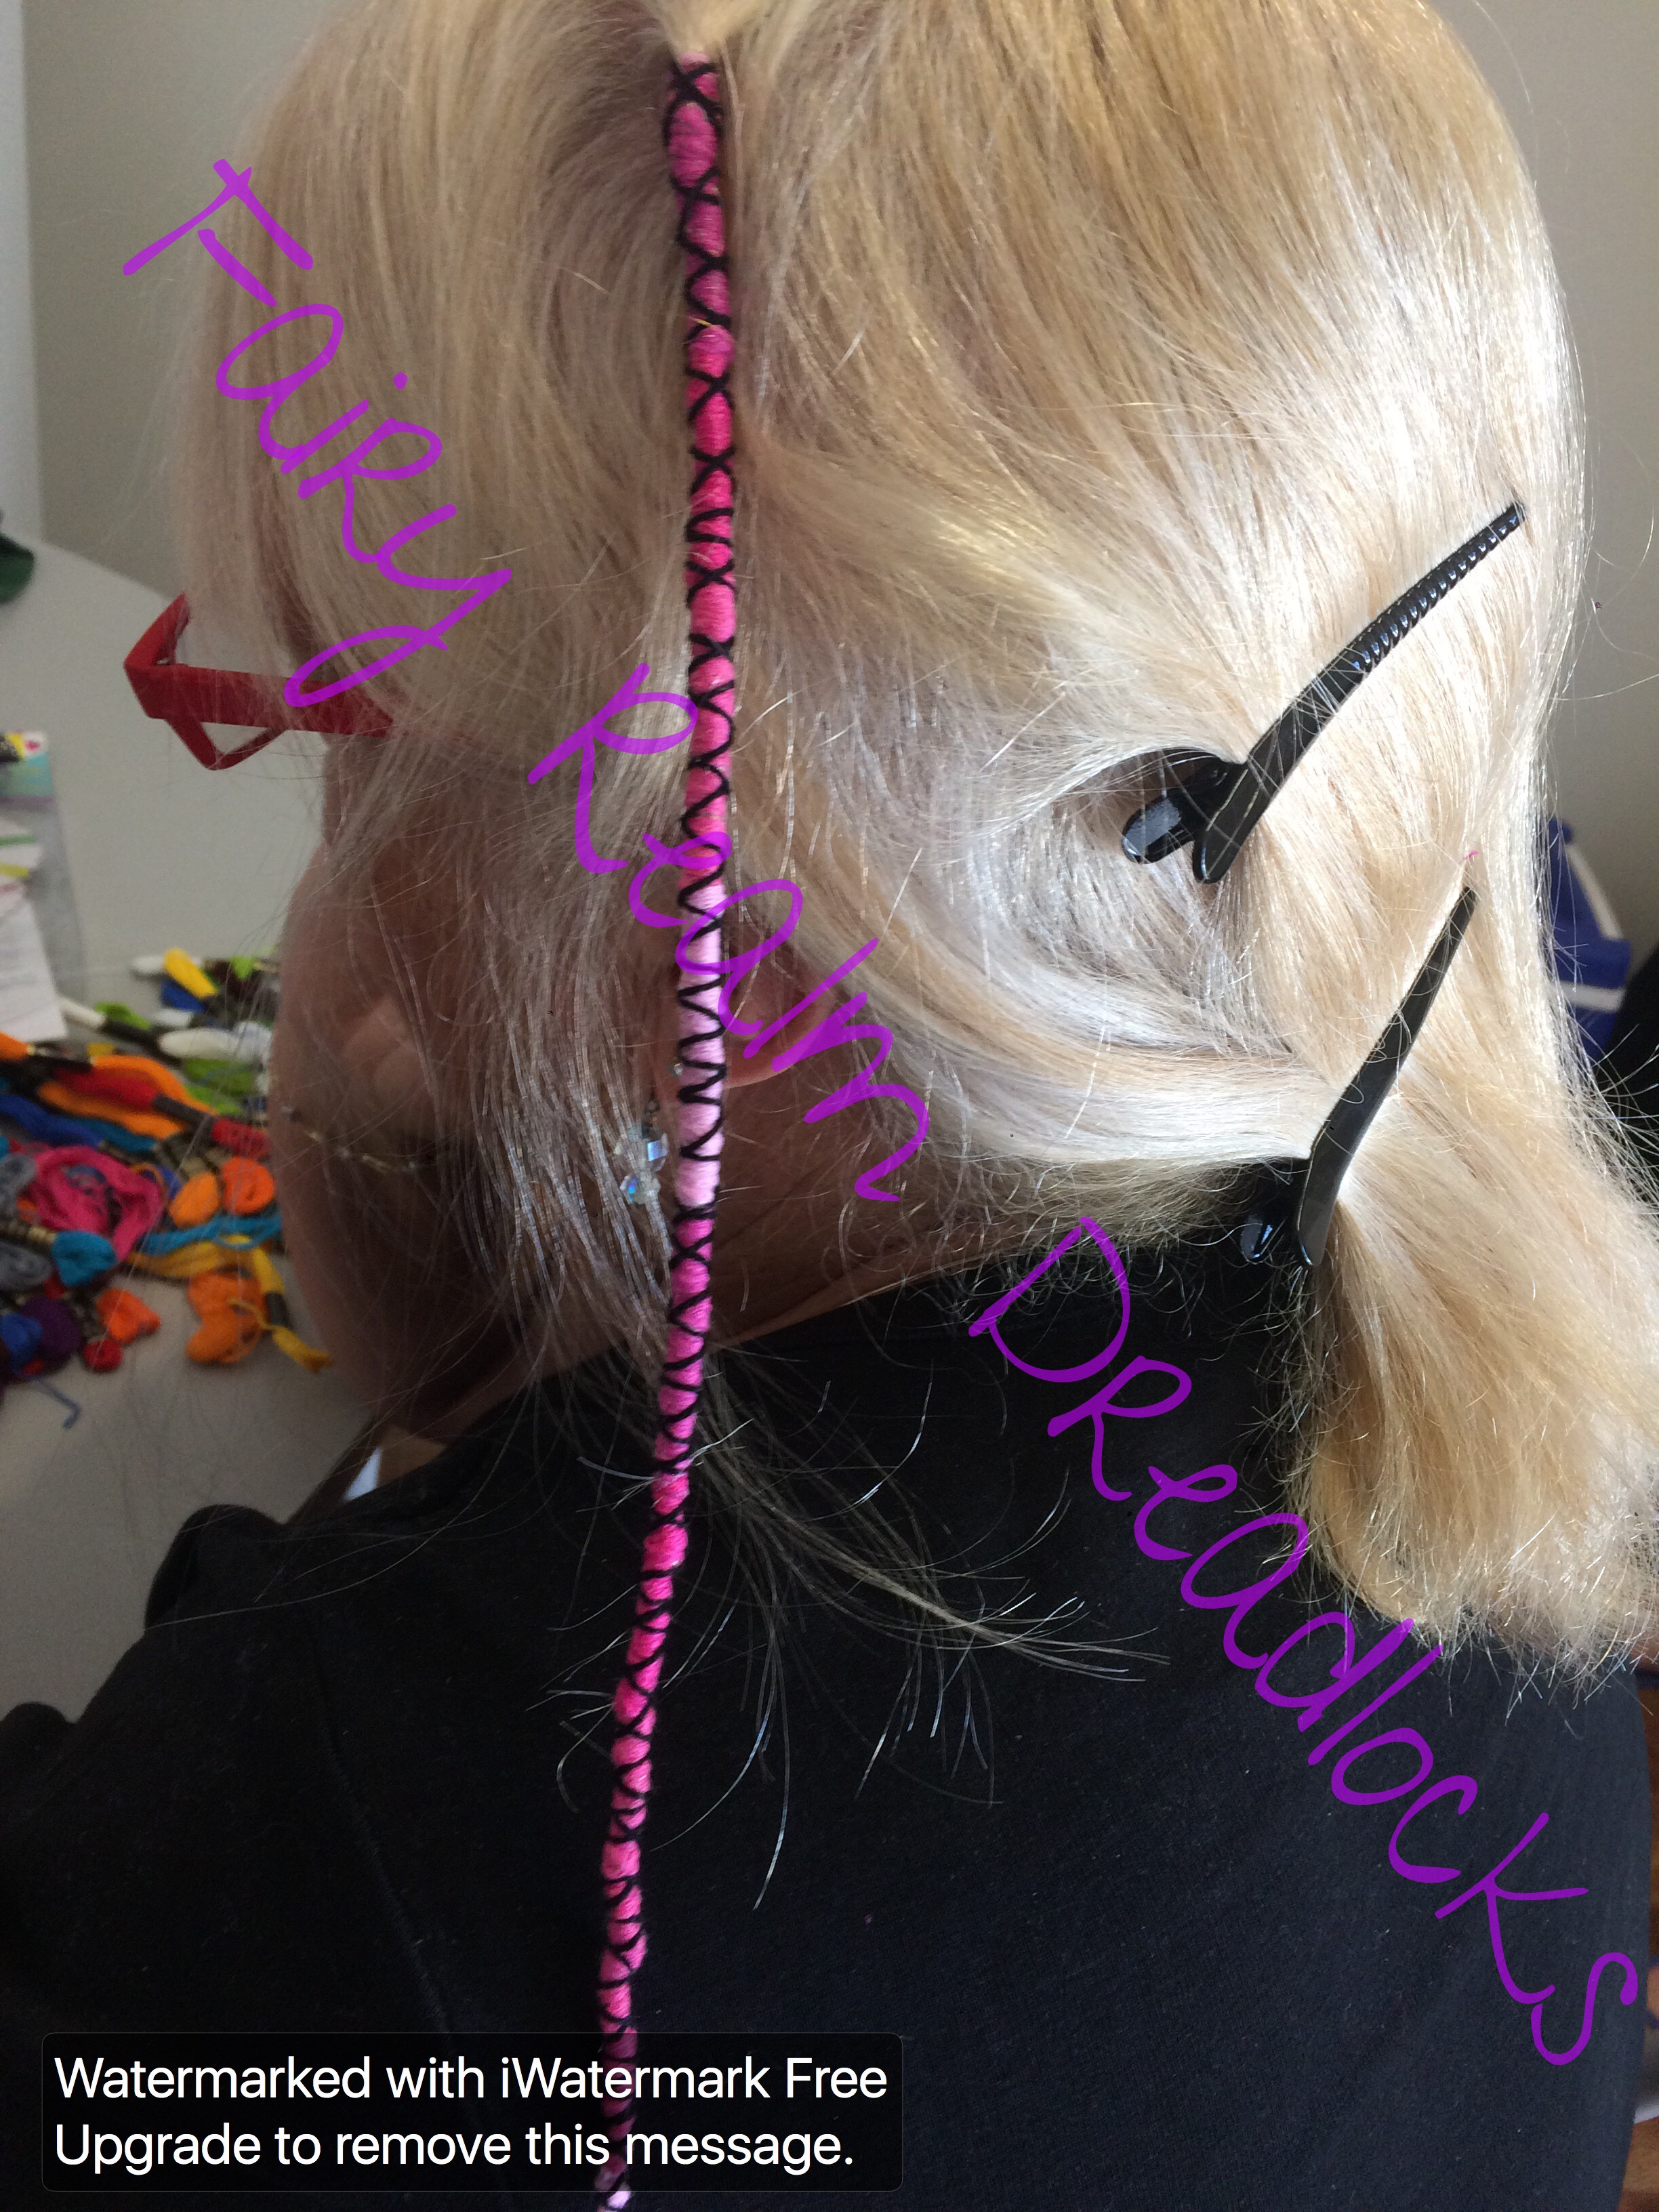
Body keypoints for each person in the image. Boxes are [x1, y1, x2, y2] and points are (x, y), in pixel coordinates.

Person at [5, 0, 1659, 2205]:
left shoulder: (323, 1866)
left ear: (647, 897)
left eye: (320, 715)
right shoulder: (1505, 1433)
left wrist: (363, 1160)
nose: (331, 825)